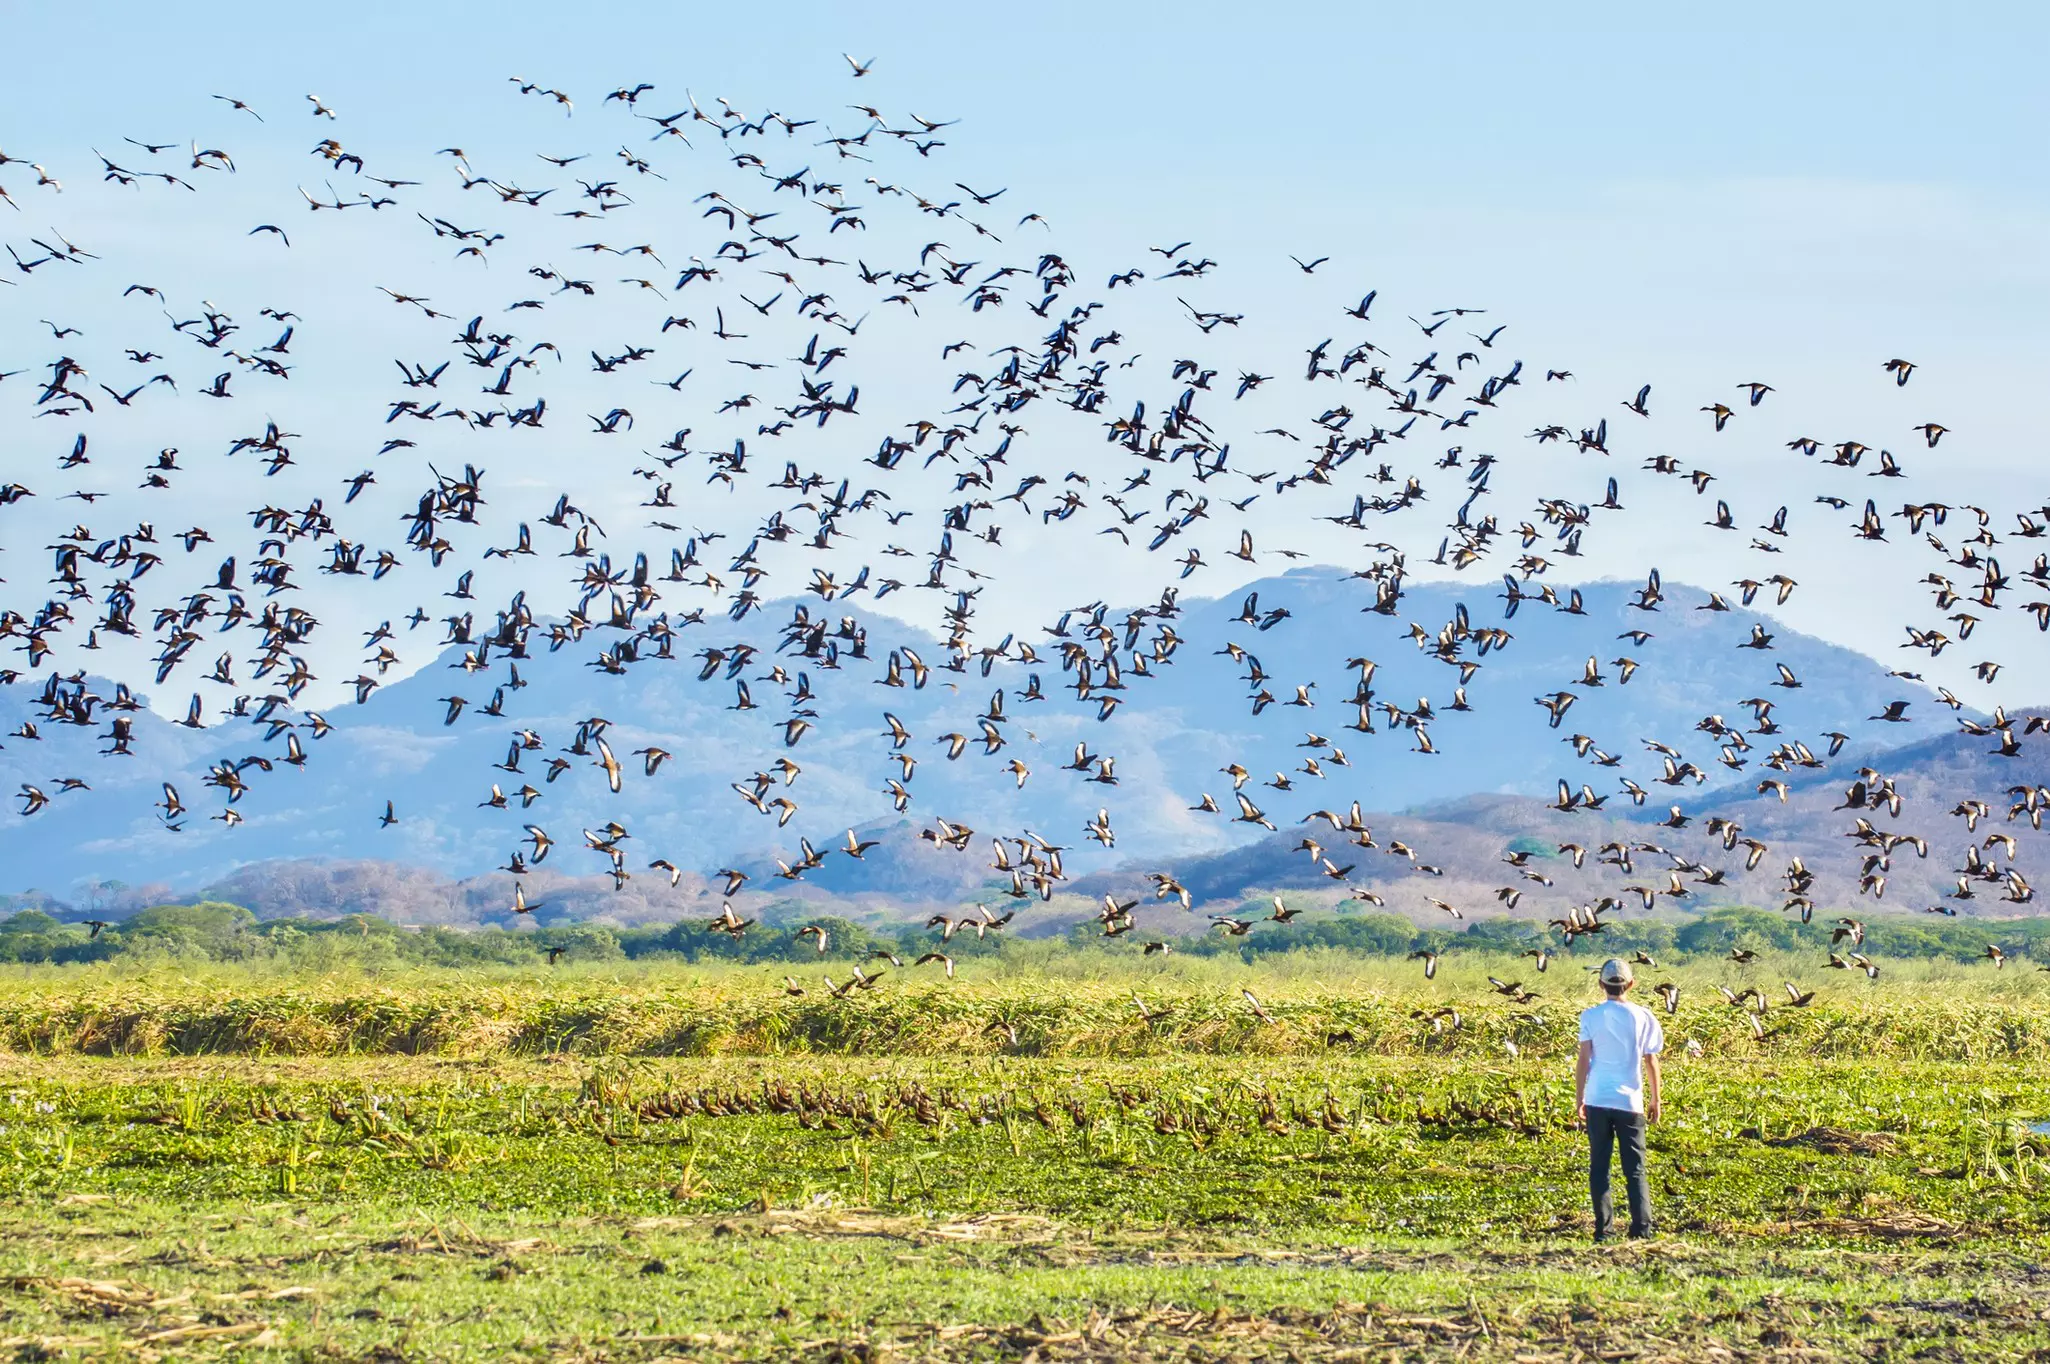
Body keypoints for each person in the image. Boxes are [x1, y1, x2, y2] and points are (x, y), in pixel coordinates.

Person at [1574, 957, 1663, 1241]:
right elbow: (1651, 1060)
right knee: (1635, 1169)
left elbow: (1584, 1060)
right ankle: (1641, 1232)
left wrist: (1579, 1098)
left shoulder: (1589, 1016)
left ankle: (1604, 1232)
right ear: (1631, 984)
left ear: (1601, 985)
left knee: (1599, 1167)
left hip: (1598, 1099)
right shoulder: (1644, 1016)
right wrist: (1655, 1099)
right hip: (1631, 1102)